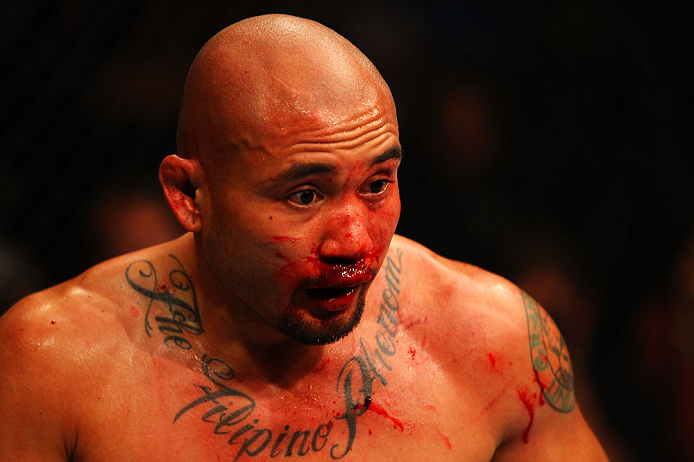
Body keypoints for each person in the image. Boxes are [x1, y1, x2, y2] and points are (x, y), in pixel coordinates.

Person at [0, 14, 607, 461]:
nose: (353, 242)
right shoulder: (53, 365)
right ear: (189, 196)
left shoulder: (492, 340)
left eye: (376, 184)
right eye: (304, 195)